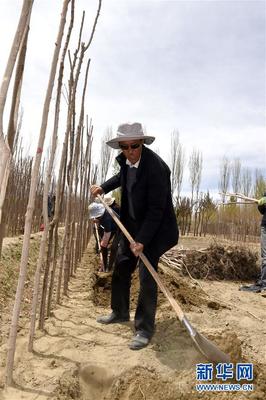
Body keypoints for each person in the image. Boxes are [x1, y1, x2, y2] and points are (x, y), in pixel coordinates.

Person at [91, 122, 179, 350]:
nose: (130, 152)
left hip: (156, 230)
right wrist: (102, 187)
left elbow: (156, 210)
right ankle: (119, 312)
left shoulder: (156, 169)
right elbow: (121, 177)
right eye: (125, 147)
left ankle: (144, 329)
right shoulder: (127, 162)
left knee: (146, 275)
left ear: (142, 143)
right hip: (131, 226)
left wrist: (142, 240)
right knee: (121, 265)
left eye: (134, 146)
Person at [240, 192, 266, 293]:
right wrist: (262, 203)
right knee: (265, 257)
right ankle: (264, 283)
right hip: (265, 226)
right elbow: (261, 210)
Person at [89, 195, 120, 272]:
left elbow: (106, 236)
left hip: (119, 229)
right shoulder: (102, 214)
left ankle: (108, 268)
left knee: (113, 248)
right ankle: (104, 265)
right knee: (103, 247)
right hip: (111, 227)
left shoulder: (107, 217)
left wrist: (103, 245)